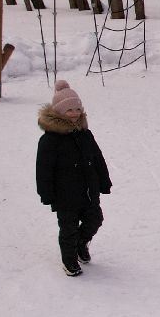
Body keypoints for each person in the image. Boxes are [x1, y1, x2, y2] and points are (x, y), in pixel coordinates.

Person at [35, 79, 112, 276]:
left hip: (88, 190)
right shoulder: (50, 140)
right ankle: (69, 261)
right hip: (65, 195)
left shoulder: (85, 134)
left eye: (78, 109)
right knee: (68, 229)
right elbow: (43, 169)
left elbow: (97, 158)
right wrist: (46, 193)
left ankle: (81, 243)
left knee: (95, 219)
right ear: (59, 112)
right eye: (69, 110)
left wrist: (104, 180)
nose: (75, 113)